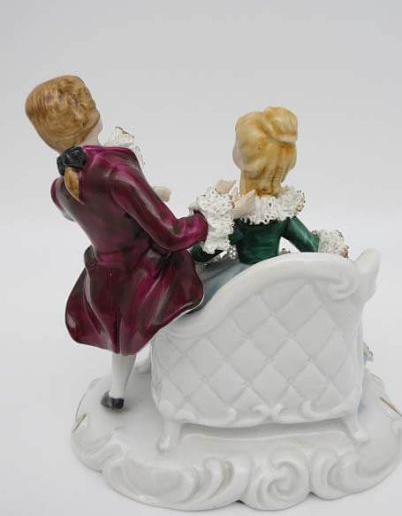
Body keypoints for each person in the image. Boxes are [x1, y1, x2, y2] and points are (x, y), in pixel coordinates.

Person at [25, 75, 248, 409]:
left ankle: (117, 394)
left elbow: (91, 211)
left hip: (106, 279)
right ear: (88, 111)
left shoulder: (61, 187)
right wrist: (212, 216)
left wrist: (144, 198)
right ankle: (184, 377)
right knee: (192, 305)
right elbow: (172, 235)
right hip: (150, 273)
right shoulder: (116, 171)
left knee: (123, 339)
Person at [191, 106, 349, 304]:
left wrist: (195, 247)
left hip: (245, 283)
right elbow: (310, 245)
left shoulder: (243, 213)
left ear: (245, 159)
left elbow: (204, 253)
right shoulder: (280, 211)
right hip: (274, 278)